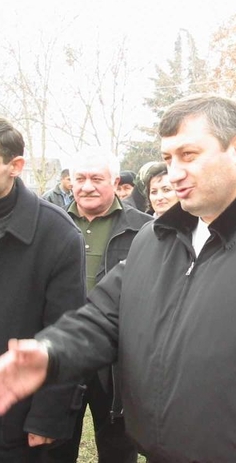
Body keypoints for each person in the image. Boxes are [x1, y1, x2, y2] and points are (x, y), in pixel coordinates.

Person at [0, 94, 236, 462]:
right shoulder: (155, 239)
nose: (174, 173)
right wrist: (50, 352)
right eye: (167, 158)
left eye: (188, 155)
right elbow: (103, 317)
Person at [45, 150, 153, 463]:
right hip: (65, 351)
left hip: (117, 360)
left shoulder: (145, 230)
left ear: (115, 182)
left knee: (118, 448)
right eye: (80, 179)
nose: (87, 186)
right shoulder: (52, 225)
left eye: (97, 179)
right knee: (55, 447)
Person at [0, 118, 86, 462]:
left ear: (15, 166)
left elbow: (66, 333)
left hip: (15, 421)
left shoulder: (57, 234)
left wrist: (48, 415)